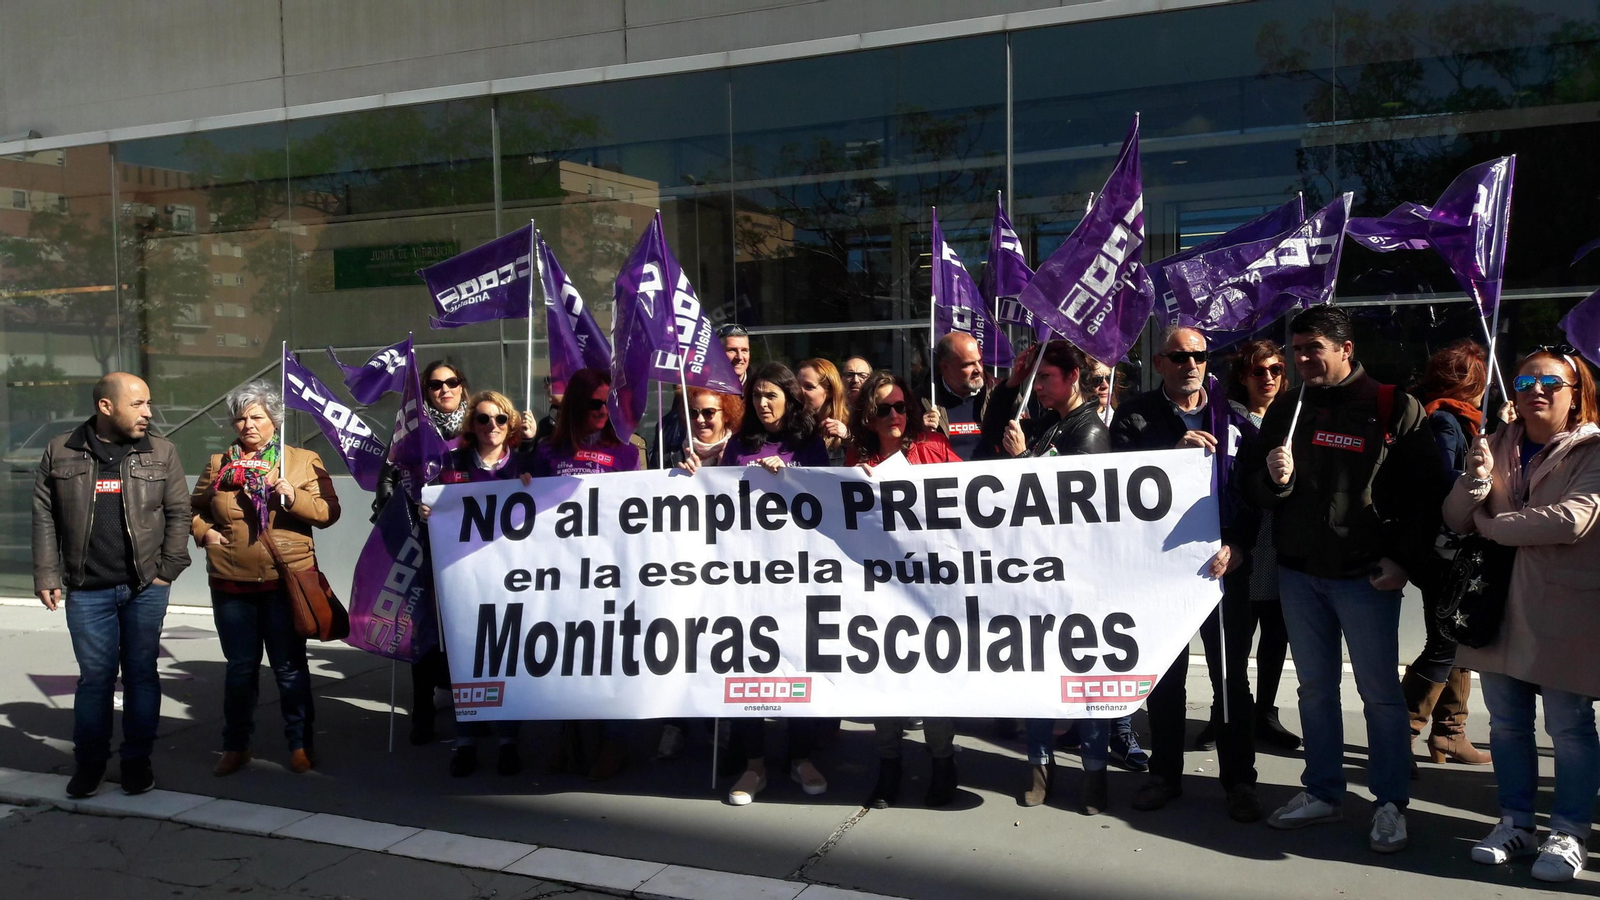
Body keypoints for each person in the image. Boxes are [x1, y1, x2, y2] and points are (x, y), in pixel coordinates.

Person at [1240, 305, 1447, 852]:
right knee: (1314, 690)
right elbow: (1255, 490)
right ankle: (1324, 792)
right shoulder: (1286, 406)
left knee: (1380, 696)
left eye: (1315, 349)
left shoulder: (1392, 406)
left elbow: (1426, 498)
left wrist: (1402, 560)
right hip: (1299, 573)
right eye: (1298, 349)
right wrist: (1273, 480)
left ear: (1346, 349)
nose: (1303, 359)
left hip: (1365, 578)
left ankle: (1389, 803)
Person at [1451, 346, 1600, 883]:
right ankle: (1515, 822)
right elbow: (1453, 517)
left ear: (1575, 393)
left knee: (1568, 726)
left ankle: (1569, 829)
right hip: (1496, 608)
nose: (1535, 389)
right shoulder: (1492, 445)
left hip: (1564, 609)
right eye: (1525, 379)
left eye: (1550, 382)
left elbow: (1570, 520)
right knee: (1508, 725)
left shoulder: (1593, 450)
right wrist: (1473, 481)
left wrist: (1494, 524)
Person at [1111, 326, 1259, 822]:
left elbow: (1256, 492)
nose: (1190, 364)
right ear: (1159, 362)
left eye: (1199, 355)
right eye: (1178, 356)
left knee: (1230, 680)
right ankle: (1164, 775)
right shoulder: (1134, 418)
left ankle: (1239, 781)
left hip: (1223, 568)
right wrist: (1168, 461)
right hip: (1161, 572)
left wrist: (1241, 545)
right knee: (1167, 678)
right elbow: (1117, 489)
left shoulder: (1235, 416)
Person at [32, 372, 192, 798]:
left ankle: (137, 762)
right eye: (138, 404)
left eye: (149, 403)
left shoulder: (162, 451)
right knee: (95, 679)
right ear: (106, 407)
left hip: (145, 587)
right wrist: (47, 573)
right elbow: (44, 515)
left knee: (142, 674)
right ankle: (90, 765)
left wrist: (168, 569)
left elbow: (179, 512)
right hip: (87, 589)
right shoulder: (60, 451)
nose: (148, 413)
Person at [980, 340, 1114, 815]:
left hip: (1076, 577)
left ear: (1072, 378)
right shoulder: (1048, 420)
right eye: (1035, 381)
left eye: (1046, 380)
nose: (1038, 389)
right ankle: (1038, 764)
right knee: (1037, 672)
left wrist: (1021, 465)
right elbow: (993, 428)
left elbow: (1068, 502)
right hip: (1037, 573)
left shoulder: (1089, 431)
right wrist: (1013, 384)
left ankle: (1095, 772)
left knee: (1087, 678)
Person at [193, 380, 340, 778]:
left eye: (256, 416)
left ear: (274, 418)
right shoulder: (219, 463)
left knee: (289, 668)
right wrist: (202, 532)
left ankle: (299, 745)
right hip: (230, 581)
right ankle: (236, 745)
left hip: (283, 581)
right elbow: (194, 508)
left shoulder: (302, 460)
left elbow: (329, 513)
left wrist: (292, 497)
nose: (248, 425)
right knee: (240, 669)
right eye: (240, 418)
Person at [844, 371, 961, 808]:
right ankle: (889, 764)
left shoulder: (932, 450)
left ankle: (942, 762)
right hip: (880, 588)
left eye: (899, 407)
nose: (894, 416)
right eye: (882, 409)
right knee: (884, 678)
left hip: (931, 588)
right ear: (868, 417)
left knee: (933, 681)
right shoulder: (857, 456)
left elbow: (977, 502)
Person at [717, 362, 830, 803]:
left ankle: (801, 758)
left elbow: (824, 500)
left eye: (771, 396)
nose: (762, 404)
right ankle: (754, 767)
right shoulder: (739, 445)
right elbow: (718, 500)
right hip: (747, 575)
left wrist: (788, 478)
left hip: (799, 573)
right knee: (748, 667)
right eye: (757, 396)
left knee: (798, 664)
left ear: (789, 398)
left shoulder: (808, 443)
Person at [533, 367, 641, 780]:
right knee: (567, 657)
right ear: (576, 403)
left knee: (609, 657)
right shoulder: (546, 451)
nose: (603, 410)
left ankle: (615, 741)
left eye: (608, 403)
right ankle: (569, 737)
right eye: (595, 402)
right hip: (560, 573)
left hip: (610, 572)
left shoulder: (626, 453)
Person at [421, 389, 535, 778]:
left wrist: (534, 488)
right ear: (472, 424)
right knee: (467, 663)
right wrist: (428, 509)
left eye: (501, 419)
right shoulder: (450, 464)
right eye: (484, 419)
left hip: (509, 581)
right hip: (463, 580)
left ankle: (507, 743)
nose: (492, 426)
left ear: (511, 424)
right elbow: (432, 508)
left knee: (505, 660)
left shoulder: (523, 465)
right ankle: (465, 743)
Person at [1402, 340, 1492, 769]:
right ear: (1468, 383)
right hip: (1445, 552)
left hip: (1454, 550)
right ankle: (1403, 731)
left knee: (1457, 640)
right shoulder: (1445, 420)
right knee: (1444, 642)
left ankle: (1449, 732)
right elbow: (1442, 482)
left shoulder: (1457, 419)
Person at [376, 359, 468, 746]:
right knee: (423, 632)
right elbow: (387, 482)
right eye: (435, 385)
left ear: (463, 386)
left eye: (451, 382)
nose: (444, 389)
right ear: (426, 392)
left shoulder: (479, 427)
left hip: (470, 550)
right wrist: (401, 507)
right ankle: (422, 712)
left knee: (467, 631)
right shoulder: (410, 434)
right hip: (423, 545)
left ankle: (475, 712)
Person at [657, 386, 744, 760]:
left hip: (732, 569)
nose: (702, 420)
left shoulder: (738, 453)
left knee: (723, 648)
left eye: (710, 413)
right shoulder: (671, 452)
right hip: (685, 567)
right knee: (683, 645)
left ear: (726, 415)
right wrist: (675, 475)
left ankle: (722, 727)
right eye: (695, 413)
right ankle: (677, 722)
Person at [1225, 340, 1300, 752]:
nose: (1269, 377)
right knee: (1236, 633)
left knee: (1276, 630)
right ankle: (1231, 711)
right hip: (1242, 536)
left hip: (1284, 536)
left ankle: (1265, 713)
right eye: (1258, 371)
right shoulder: (1229, 419)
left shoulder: (1295, 415)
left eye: (1275, 369)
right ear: (1243, 376)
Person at [652, 324, 752, 466]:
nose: (740, 357)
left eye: (745, 351)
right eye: (732, 350)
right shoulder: (692, 391)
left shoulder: (758, 392)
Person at [924, 332, 996, 460]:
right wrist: (920, 434)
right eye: (968, 364)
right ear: (945, 367)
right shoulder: (922, 401)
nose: (978, 369)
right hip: (946, 478)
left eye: (980, 361)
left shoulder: (1001, 394)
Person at [798, 358, 851, 466]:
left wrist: (848, 437)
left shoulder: (852, 424)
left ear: (830, 391)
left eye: (809, 387)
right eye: (797, 385)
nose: (800, 391)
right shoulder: (792, 425)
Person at [1084, 356, 1120, 426]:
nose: (1105, 386)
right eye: (1096, 380)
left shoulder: (1118, 422)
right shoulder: (1069, 420)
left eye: (1109, 378)